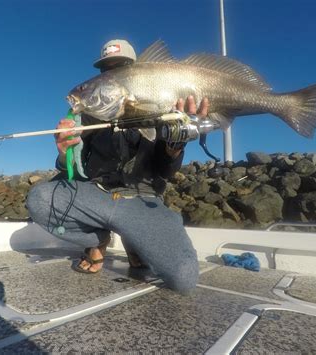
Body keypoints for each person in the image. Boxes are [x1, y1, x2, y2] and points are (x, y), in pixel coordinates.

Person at [26, 39, 210, 294]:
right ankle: (98, 239)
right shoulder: (88, 115)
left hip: (142, 201)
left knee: (184, 279)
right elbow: (74, 169)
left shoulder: (162, 104)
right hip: (97, 194)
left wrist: (175, 144)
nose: (111, 74)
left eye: (120, 68)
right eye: (105, 70)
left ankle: (133, 237)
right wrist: (64, 152)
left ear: (135, 71)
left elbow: (166, 171)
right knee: (40, 198)